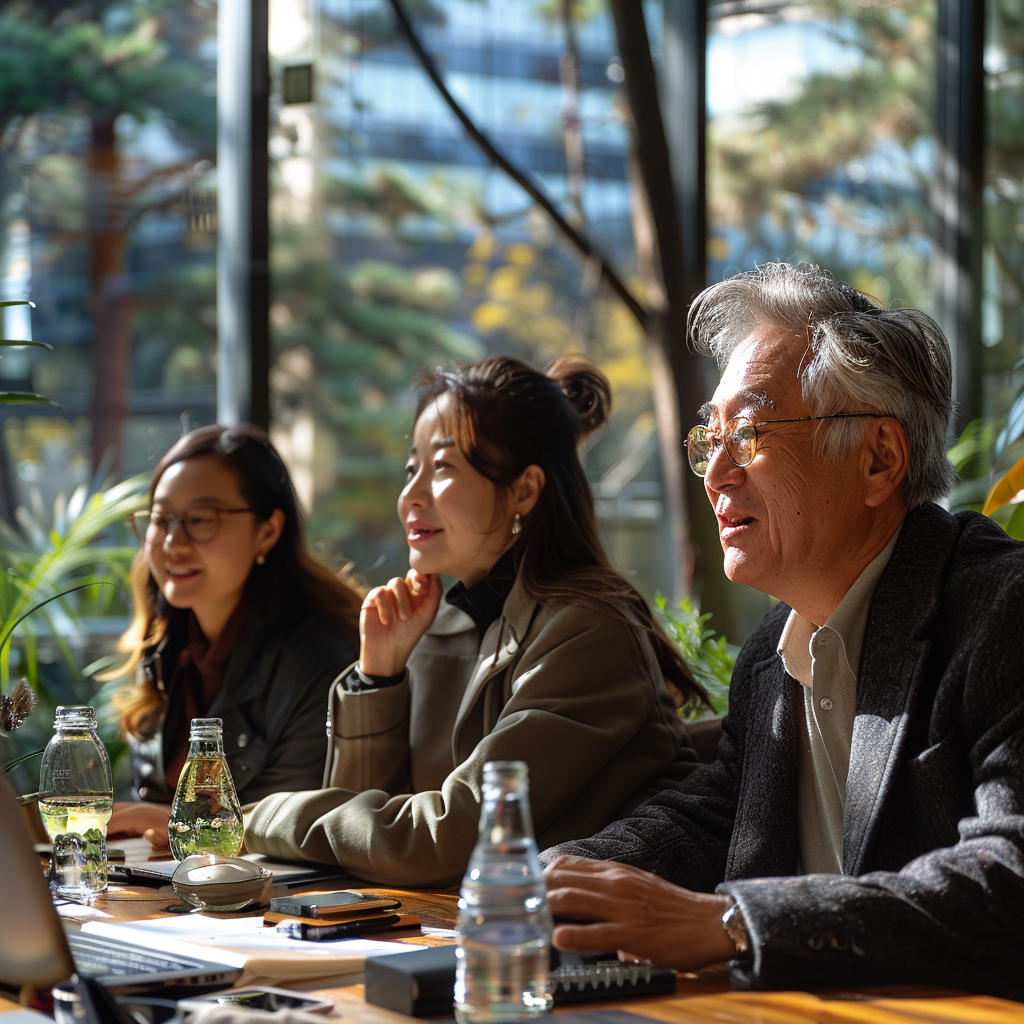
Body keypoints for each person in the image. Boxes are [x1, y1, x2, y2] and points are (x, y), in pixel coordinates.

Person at [541, 263, 1024, 1000]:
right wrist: (558, 877)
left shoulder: (1001, 610)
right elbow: (719, 816)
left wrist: (734, 923)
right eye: (710, 438)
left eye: (749, 432)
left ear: (879, 458)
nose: (716, 473)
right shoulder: (776, 648)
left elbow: (1008, 875)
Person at [245, 354, 707, 886]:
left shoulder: (589, 630)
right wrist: (379, 677)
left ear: (524, 490)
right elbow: (359, 840)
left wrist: (248, 819)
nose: (410, 496)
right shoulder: (438, 627)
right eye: (411, 469)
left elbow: (440, 839)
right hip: (452, 919)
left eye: (442, 467)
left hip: (568, 929)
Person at [107, 425, 362, 849]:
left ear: (267, 530)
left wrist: (176, 823)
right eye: (160, 520)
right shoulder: (162, 644)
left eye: (200, 520)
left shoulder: (317, 660)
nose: (172, 542)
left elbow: (309, 825)